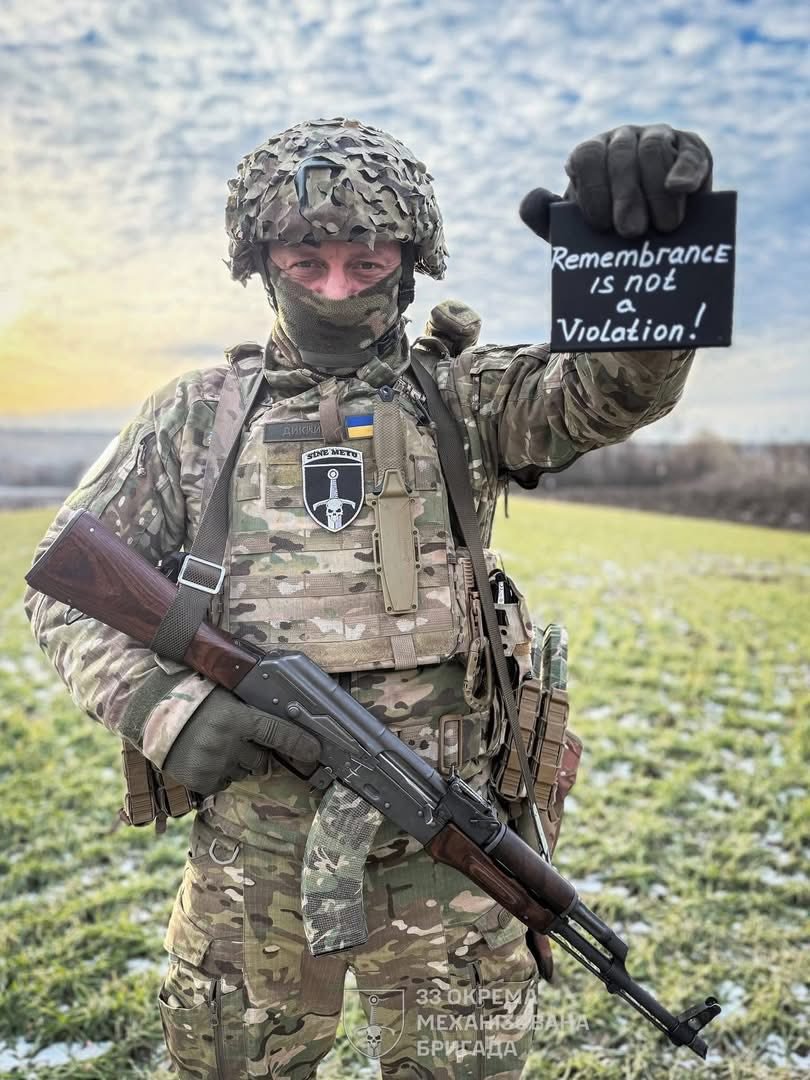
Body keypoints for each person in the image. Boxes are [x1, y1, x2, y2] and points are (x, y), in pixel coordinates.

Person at [25, 117, 712, 1079]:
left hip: (452, 853)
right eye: (307, 262)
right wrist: (166, 709)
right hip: (253, 865)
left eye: (367, 259)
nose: (339, 288)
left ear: (412, 261)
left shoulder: (466, 398)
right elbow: (65, 588)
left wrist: (646, 278)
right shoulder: (195, 418)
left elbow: (608, 393)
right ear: (262, 264)